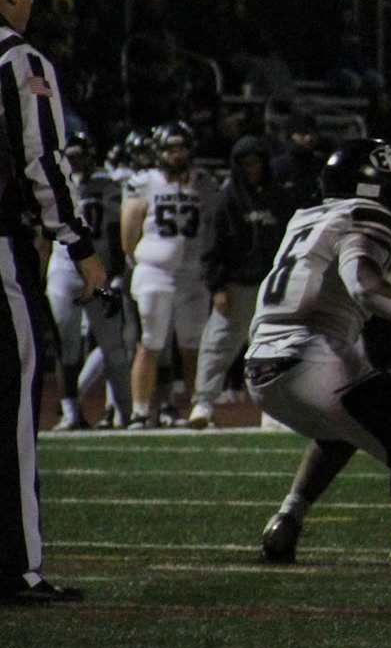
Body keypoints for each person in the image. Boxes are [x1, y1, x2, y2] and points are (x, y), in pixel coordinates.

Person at [250, 140, 391, 569]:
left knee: (340, 430)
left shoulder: (307, 216)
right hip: (311, 356)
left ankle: (286, 520)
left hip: (260, 364)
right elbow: (363, 284)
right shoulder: (366, 213)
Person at [0, 0, 108, 602]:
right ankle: (15, 567)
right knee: (13, 408)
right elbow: (42, 159)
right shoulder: (19, 59)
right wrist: (80, 244)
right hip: (1, 253)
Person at [122, 120, 219, 429]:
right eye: (169, 149)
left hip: (193, 275)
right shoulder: (144, 182)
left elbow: (214, 226)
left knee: (193, 345)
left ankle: (198, 410)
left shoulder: (204, 183)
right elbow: (129, 232)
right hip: (155, 271)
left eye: (182, 148)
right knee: (151, 342)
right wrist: (141, 260)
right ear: (158, 151)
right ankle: (140, 412)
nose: (176, 155)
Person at [190, 135, 291, 427]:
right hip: (236, 287)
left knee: (273, 349)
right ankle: (203, 404)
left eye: (256, 162)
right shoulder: (225, 200)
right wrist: (218, 286)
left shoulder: (278, 198)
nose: (252, 168)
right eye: (245, 164)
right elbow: (211, 247)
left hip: (271, 288)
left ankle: (272, 411)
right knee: (217, 345)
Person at [46, 132, 134, 429]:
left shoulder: (106, 184)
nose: (74, 162)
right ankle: (71, 412)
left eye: (78, 156)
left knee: (114, 347)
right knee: (66, 344)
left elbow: (115, 234)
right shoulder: (52, 183)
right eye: (69, 156)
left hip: (99, 270)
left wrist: (116, 276)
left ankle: (125, 412)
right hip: (63, 270)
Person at [272, 111, 327, 209]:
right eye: (303, 133)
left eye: (313, 133)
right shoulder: (279, 166)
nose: (309, 138)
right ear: (292, 135)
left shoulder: (321, 164)